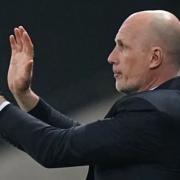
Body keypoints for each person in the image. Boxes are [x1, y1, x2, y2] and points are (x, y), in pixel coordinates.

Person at [0, 10, 180, 180]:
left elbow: (55, 147)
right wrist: (25, 95)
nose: (111, 57)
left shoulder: (150, 113)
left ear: (154, 57)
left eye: (122, 46)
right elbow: (81, 138)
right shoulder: (166, 108)